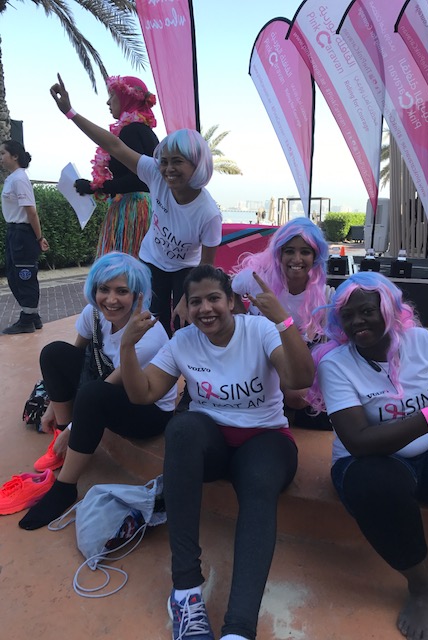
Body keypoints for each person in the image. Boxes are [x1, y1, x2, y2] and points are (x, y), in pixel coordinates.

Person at [120, 264, 314, 640]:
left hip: (266, 440)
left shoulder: (259, 330)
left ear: (232, 301)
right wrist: (127, 346)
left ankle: (238, 630)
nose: (205, 308)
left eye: (214, 298)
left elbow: (300, 379)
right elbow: (143, 393)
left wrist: (283, 321)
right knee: (181, 429)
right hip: (212, 446)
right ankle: (186, 592)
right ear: (186, 307)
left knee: (258, 482)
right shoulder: (183, 342)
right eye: (196, 302)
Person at [315, 271, 428, 640]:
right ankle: (423, 587)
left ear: (389, 309)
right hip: (370, 464)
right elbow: (359, 441)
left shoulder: (419, 340)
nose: (357, 322)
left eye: (367, 311)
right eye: (347, 316)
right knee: (374, 483)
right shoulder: (336, 364)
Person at [50, 74, 222, 337]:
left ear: (198, 165)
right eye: (164, 161)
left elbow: (206, 266)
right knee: (150, 321)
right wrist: (70, 112)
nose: (168, 169)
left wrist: (189, 297)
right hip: (151, 259)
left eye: (178, 162)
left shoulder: (208, 213)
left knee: (186, 323)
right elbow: (114, 146)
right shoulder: (155, 174)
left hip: (186, 267)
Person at [17, 252, 177, 530]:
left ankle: (65, 487)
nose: (111, 299)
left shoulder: (148, 334)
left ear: (138, 295)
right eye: (104, 289)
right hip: (105, 385)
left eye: (122, 291)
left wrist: (74, 429)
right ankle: (63, 436)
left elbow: (108, 386)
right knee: (54, 353)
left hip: (148, 410)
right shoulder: (94, 314)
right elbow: (75, 357)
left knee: (93, 394)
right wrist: (54, 405)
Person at [231, 217, 332, 429]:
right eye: (289, 251)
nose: (297, 258)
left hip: (291, 354)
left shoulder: (321, 293)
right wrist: (243, 320)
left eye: (305, 252)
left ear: (315, 256)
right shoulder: (256, 279)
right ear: (279, 253)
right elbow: (230, 289)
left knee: (298, 396)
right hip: (256, 352)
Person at [74, 75, 159, 258]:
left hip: (133, 211)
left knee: (123, 263)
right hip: (145, 208)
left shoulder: (131, 131)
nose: (108, 102)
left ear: (126, 97)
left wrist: (95, 187)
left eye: (112, 95)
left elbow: (137, 179)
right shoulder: (144, 131)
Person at [0, 140, 49, 334]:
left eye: (3, 153)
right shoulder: (13, 178)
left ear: (15, 156)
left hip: (22, 233)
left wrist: (39, 238)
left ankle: (27, 319)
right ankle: (33, 316)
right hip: (14, 231)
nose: (0, 158)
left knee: (23, 275)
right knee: (14, 275)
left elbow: (31, 212)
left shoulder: (20, 179)